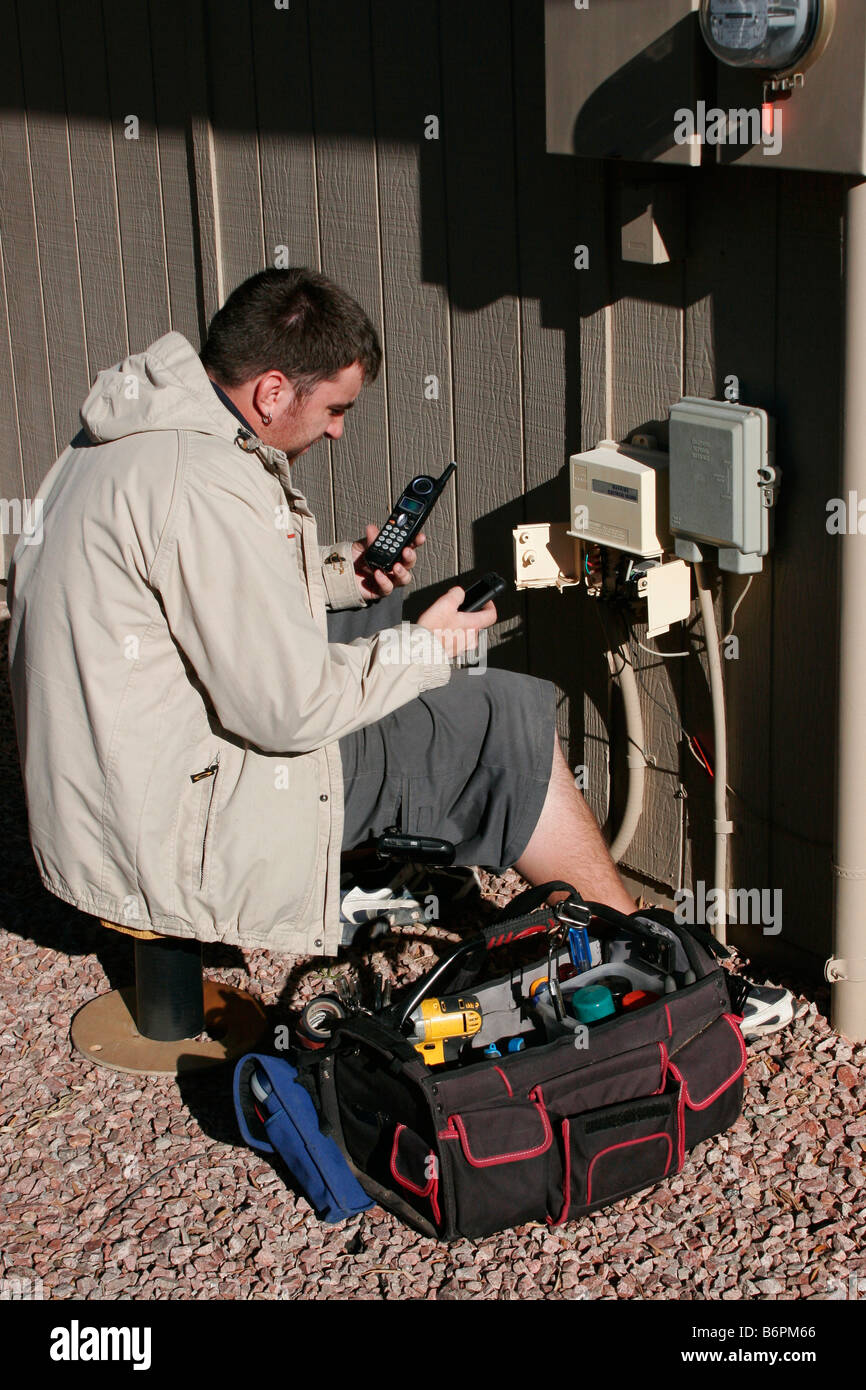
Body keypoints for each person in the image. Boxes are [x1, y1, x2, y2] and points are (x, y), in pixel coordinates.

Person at [7, 268, 791, 1036]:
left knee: (413, 649)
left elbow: (196, 593)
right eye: (337, 408)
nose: (341, 429)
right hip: (170, 804)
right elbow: (286, 711)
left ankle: (595, 930)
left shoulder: (134, 427)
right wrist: (427, 647)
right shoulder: (205, 479)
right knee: (499, 715)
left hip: (108, 764)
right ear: (273, 391)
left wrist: (346, 575)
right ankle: (656, 966)